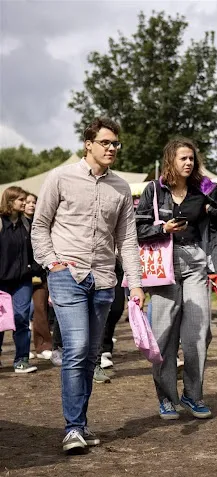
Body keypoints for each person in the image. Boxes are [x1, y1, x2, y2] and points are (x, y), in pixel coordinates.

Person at [32, 117, 144, 453]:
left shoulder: (122, 187)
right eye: (106, 142)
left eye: (116, 144)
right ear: (88, 143)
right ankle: (72, 429)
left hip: (105, 280)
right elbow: (39, 226)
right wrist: (52, 262)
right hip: (68, 275)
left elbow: (127, 239)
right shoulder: (60, 177)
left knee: (92, 355)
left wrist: (136, 283)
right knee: (78, 348)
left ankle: (79, 424)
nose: (112, 148)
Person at [135, 137, 217, 421]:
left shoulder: (202, 186)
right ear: (171, 160)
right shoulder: (155, 189)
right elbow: (138, 226)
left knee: (199, 332)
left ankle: (193, 395)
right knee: (164, 333)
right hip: (163, 263)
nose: (189, 163)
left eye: (192, 158)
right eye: (183, 158)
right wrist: (162, 227)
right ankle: (167, 398)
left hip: (195, 260)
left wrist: (210, 209)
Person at [0, 186, 38, 373]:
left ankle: (21, 360)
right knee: (0, 322)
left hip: (22, 281)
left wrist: (36, 268)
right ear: (10, 201)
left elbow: (35, 250)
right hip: (1, 282)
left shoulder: (27, 223)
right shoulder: (0, 224)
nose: (25, 203)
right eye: (21, 200)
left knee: (22, 318)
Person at [21, 192, 53, 361]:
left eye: (34, 202)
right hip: (20, 274)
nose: (32, 205)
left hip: (40, 273)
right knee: (19, 314)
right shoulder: (18, 224)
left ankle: (43, 346)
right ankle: (22, 351)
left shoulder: (39, 223)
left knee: (41, 309)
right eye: (28, 202)